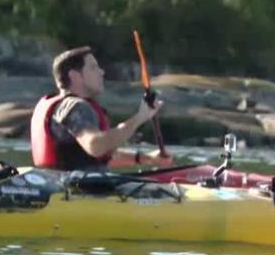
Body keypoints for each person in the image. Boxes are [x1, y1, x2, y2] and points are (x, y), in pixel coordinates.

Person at [30, 46, 173, 170]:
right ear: (75, 76)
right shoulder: (77, 107)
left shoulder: (63, 106)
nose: (101, 72)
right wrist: (139, 118)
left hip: (65, 188)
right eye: (93, 68)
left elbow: (98, 156)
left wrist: (145, 158)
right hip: (80, 192)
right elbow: (96, 146)